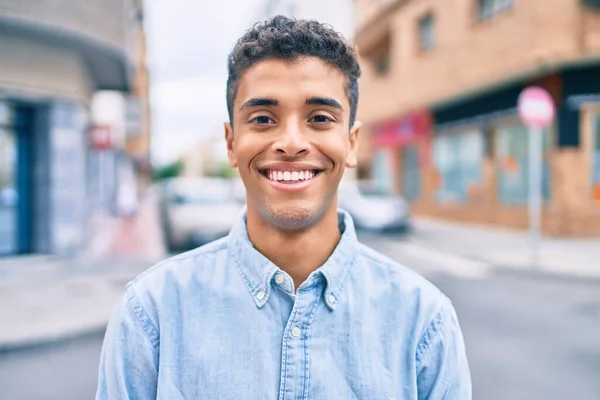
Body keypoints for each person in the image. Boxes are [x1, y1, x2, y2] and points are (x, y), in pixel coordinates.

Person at [96, 15, 471, 399]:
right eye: (262, 119)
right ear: (230, 143)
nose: (291, 143)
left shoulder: (424, 321)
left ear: (353, 142)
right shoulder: (152, 313)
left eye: (320, 118)